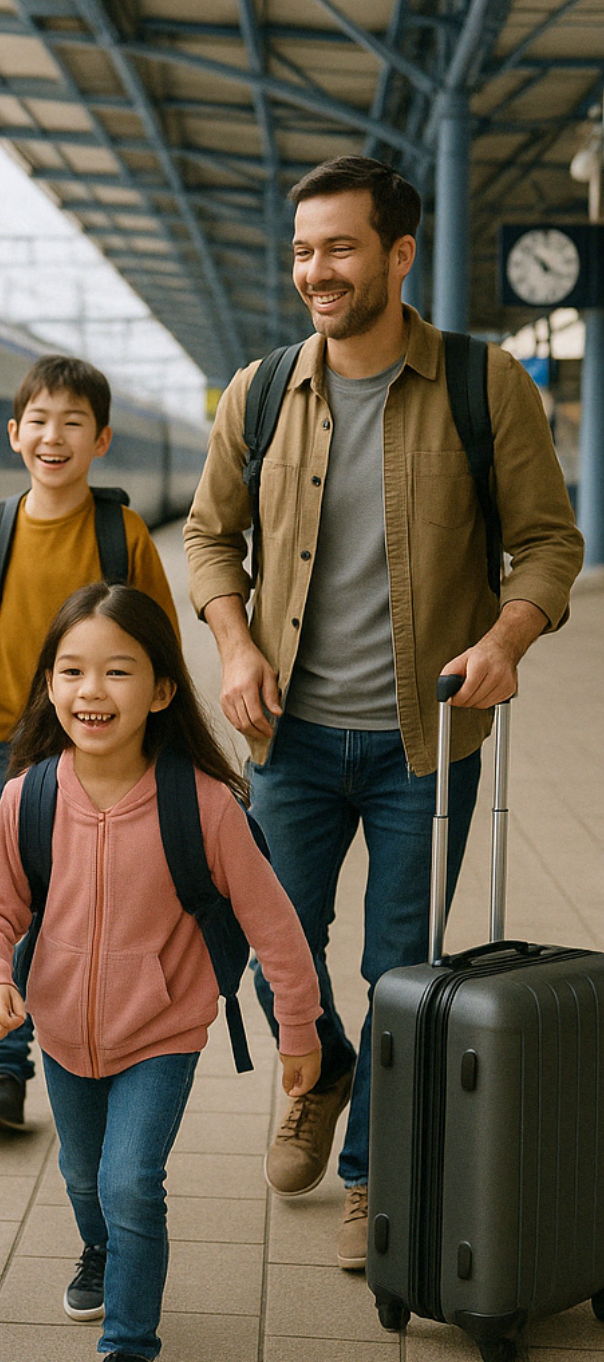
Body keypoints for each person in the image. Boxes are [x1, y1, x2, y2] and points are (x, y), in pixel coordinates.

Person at [183, 155, 584, 1269]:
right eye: (302, 249)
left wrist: (506, 638)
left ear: (398, 255)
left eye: (339, 248)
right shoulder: (258, 391)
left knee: (398, 964)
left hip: (426, 739)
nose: (314, 270)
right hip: (290, 741)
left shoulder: (480, 381)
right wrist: (228, 640)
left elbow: (548, 540)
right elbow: (208, 538)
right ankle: (329, 1070)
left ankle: (373, 1175)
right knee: (274, 952)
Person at [0, 582, 321, 1362]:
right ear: (48, 685)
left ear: (161, 690)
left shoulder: (204, 806)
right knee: (83, 1178)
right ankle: (100, 1249)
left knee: (128, 1183)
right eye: (70, 671)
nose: (91, 691)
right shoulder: (29, 799)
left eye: (117, 671)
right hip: (58, 1029)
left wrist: (298, 1029)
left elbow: (275, 926)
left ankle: (129, 1342)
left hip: (162, 1031)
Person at [0, 353, 179, 1131]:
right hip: (0, 746)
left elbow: (157, 642)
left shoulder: (120, 531)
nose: (52, 436)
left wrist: (166, 745)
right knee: (3, 904)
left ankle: (80, 1044)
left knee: (74, 905)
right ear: (13, 434)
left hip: (96, 754)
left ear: (100, 440)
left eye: (72, 422)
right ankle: (4, 1071)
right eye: (39, 421)